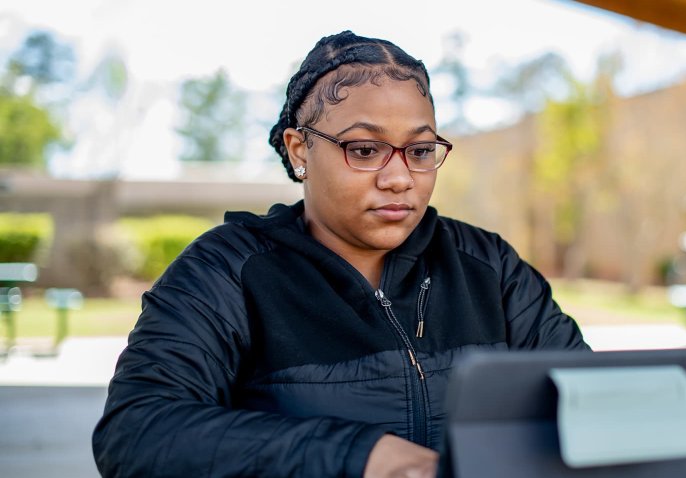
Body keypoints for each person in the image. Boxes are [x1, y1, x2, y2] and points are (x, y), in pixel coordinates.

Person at [92, 31, 590, 478]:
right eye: (365, 149)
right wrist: (360, 455)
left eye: (419, 152)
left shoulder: (487, 265)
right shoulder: (228, 271)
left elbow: (588, 403)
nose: (399, 178)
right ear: (299, 150)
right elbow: (137, 433)